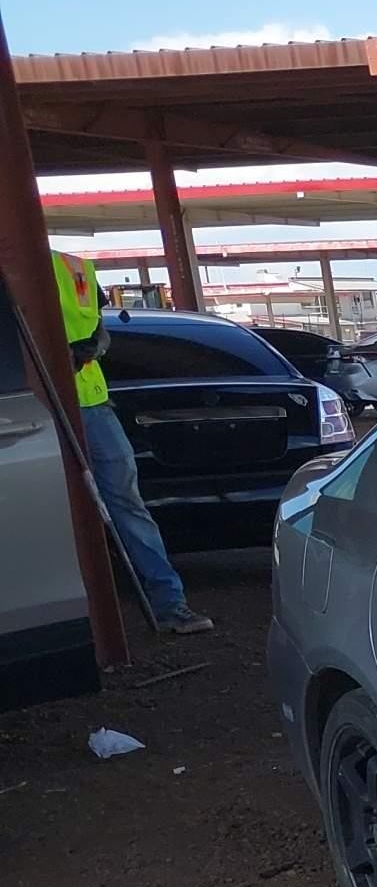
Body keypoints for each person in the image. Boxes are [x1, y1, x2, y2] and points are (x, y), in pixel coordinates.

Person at [53, 250, 211, 636]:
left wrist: (94, 346)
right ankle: (62, 621)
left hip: (90, 405)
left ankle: (170, 605)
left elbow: (99, 327)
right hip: (40, 407)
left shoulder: (74, 267)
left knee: (127, 506)